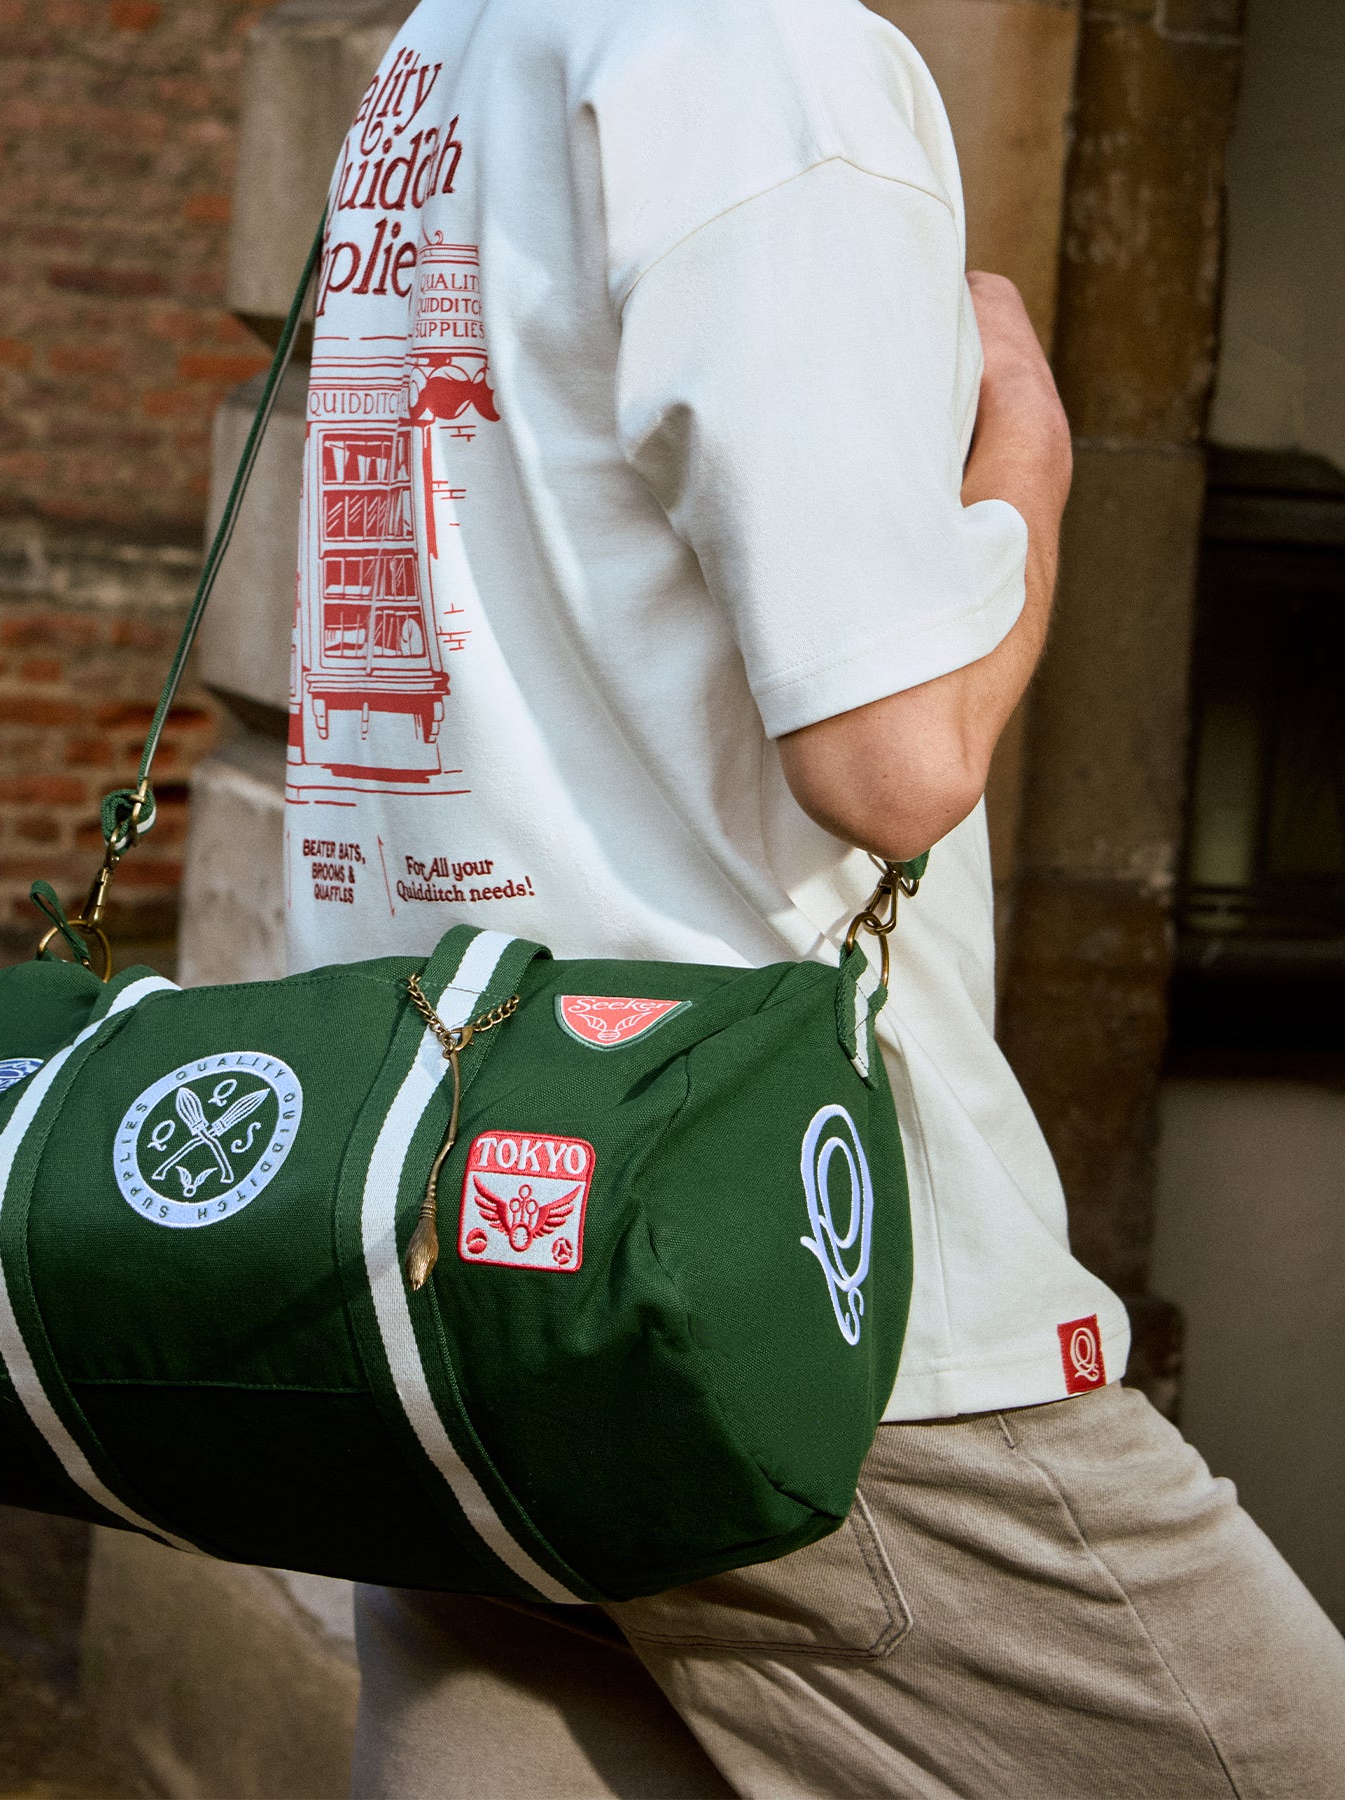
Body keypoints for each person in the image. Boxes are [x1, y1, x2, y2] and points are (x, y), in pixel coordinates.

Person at [281, 1, 1345, 1792]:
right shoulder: (768, 55)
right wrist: (1035, 476)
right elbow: (894, 757)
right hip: (777, 1276)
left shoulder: (452, 43)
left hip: (443, 1223)